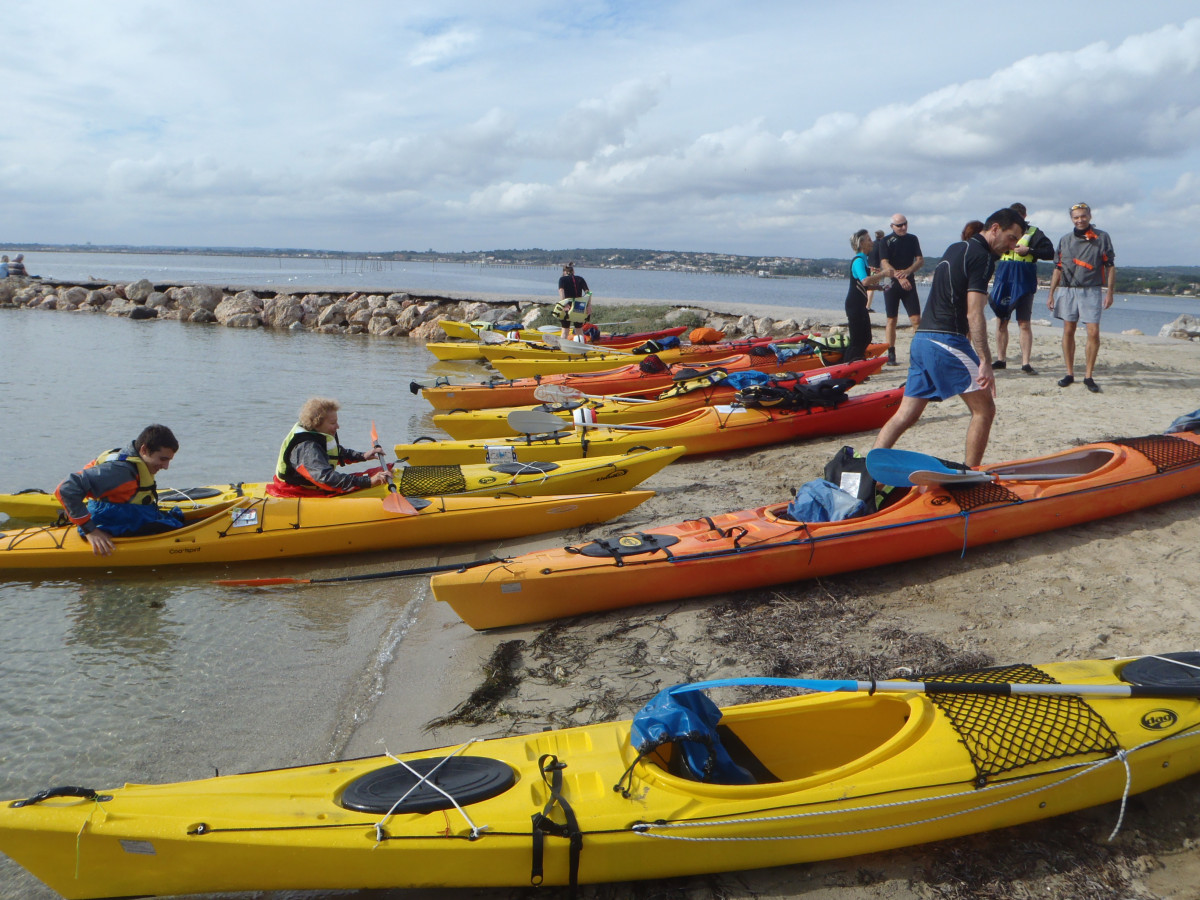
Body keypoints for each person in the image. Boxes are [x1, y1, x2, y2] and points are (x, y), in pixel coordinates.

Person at [872, 208, 1028, 467]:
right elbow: (974, 314)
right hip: (945, 341)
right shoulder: (983, 257)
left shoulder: (956, 248)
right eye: (1012, 238)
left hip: (921, 339)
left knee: (906, 414)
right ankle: (971, 474)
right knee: (985, 409)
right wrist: (985, 361)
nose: (1012, 246)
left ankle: (870, 468)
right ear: (995, 229)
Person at [54, 424, 184, 556]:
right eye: (163, 459)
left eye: (169, 460)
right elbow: (66, 488)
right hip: (107, 524)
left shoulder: (135, 462)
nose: (166, 466)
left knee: (178, 519)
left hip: (128, 516)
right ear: (144, 450)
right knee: (173, 525)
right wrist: (91, 531)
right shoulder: (119, 472)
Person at [1047, 203, 1116, 393]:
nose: (1080, 220)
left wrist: (1110, 292)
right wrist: (1051, 293)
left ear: (1090, 216)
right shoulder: (1064, 240)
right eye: (1076, 217)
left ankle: (1089, 375)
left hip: (1092, 289)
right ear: (1072, 219)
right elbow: (1057, 268)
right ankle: (1069, 373)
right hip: (1067, 289)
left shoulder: (1102, 237)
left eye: (1083, 216)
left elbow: (1110, 266)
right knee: (1068, 330)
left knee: (1093, 332)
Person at [267, 397, 390, 498]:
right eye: (332, 423)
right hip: (295, 491)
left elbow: (334, 453)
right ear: (316, 423)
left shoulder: (317, 435)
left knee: (380, 472)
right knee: (367, 478)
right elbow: (326, 478)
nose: (338, 426)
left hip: (312, 484)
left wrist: (362, 456)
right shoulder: (307, 448)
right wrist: (369, 481)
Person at [989, 202, 1054, 376]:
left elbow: (1050, 252)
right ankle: (1001, 359)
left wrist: (1030, 250)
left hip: (1024, 277)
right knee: (1001, 320)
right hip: (1004, 275)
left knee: (1024, 323)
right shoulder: (1002, 232)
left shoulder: (1034, 232)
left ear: (1025, 216)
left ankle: (1025, 363)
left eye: (1019, 216)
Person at [879, 214, 924, 366]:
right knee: (891, 318)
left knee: (916, 319)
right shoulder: (885, 241)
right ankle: (891, 351)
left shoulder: (913, 239)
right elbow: (884, 263)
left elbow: (920, 260)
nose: (903, 227)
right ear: (892, 226)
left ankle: (918, 352)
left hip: (908, 281)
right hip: (891, 282)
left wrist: (908, 271)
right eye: (899, 225)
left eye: (905, 224)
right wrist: (899, 276)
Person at [845, 230, 894, 362]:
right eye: (868, 240)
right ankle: (848, 365)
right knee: (857, 340)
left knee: (866, 338)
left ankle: (858, 362)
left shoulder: (864, 260)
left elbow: (864, 284)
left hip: (860, 305)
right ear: (861, 243)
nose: (872, 242)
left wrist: (877, 287)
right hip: (854, 305)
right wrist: (884, 274)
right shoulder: (858, 260)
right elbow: (865, 280)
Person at [553, 262, 592, 338]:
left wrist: (564, 304)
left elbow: (561, 291)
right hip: (579, 306)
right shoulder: (580, 279)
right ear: (573, 271)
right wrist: (589, 305)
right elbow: (588, 293)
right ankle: (581, 346)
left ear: (564, 272)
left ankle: (563, 347)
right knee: (579, 329)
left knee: (565, 330)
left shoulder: (562, 279)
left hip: (568, 305)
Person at [864, 229, 886, 310]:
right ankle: (867, 306)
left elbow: (867, 254)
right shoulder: (882, 245)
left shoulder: (872, 244)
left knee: (868, 287)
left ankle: (865, 305)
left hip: (869, 267)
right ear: (883, 236)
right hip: (876, 268)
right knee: (872, 288)